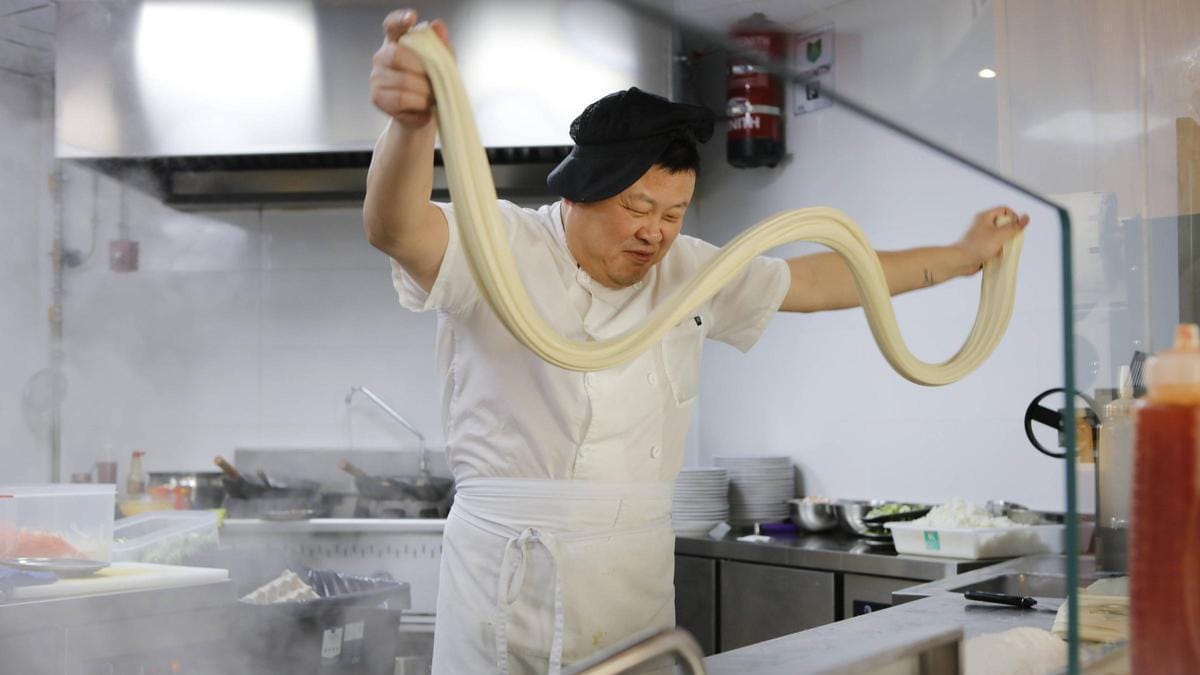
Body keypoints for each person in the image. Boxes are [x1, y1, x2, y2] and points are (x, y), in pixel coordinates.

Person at [363, 9, 1029, 674]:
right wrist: (413, 124)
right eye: (637, 208)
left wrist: (962, 255)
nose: (656, 232)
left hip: (633, 582)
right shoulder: (498, 243)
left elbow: (822, 277)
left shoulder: (688, 270)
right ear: (579, 194)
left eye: (674, 213)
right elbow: (396, 227)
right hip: (505, 581)